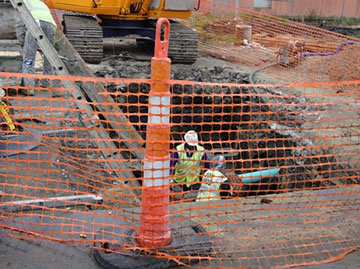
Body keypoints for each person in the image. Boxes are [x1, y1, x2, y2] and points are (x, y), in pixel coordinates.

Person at [21, 0, 57, 91]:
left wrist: (21, 40)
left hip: (35, 22)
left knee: (29, 56)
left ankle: (29, 87)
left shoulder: (22, 2)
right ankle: (47, 83)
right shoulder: (41, 3)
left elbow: (19, 24)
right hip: (51, 25)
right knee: (49, 56)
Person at [170, 130, 210, 200]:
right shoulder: (178, 150)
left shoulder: (201, 151)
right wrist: (170, 178)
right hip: (179, 181)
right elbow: (170, 164)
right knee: (177, 197)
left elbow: (206, 167)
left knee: (193, 197)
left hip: (194, 181)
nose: (192, 147)